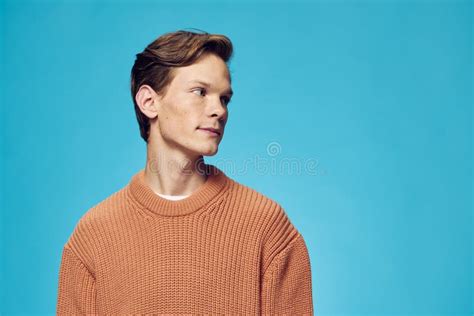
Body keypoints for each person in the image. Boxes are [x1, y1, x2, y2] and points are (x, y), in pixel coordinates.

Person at [56, 29, 314, 315]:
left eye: (224, 99)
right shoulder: (93, 236)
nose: (219, 110)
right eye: (200, 92)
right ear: (149, 102)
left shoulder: (267, 228)